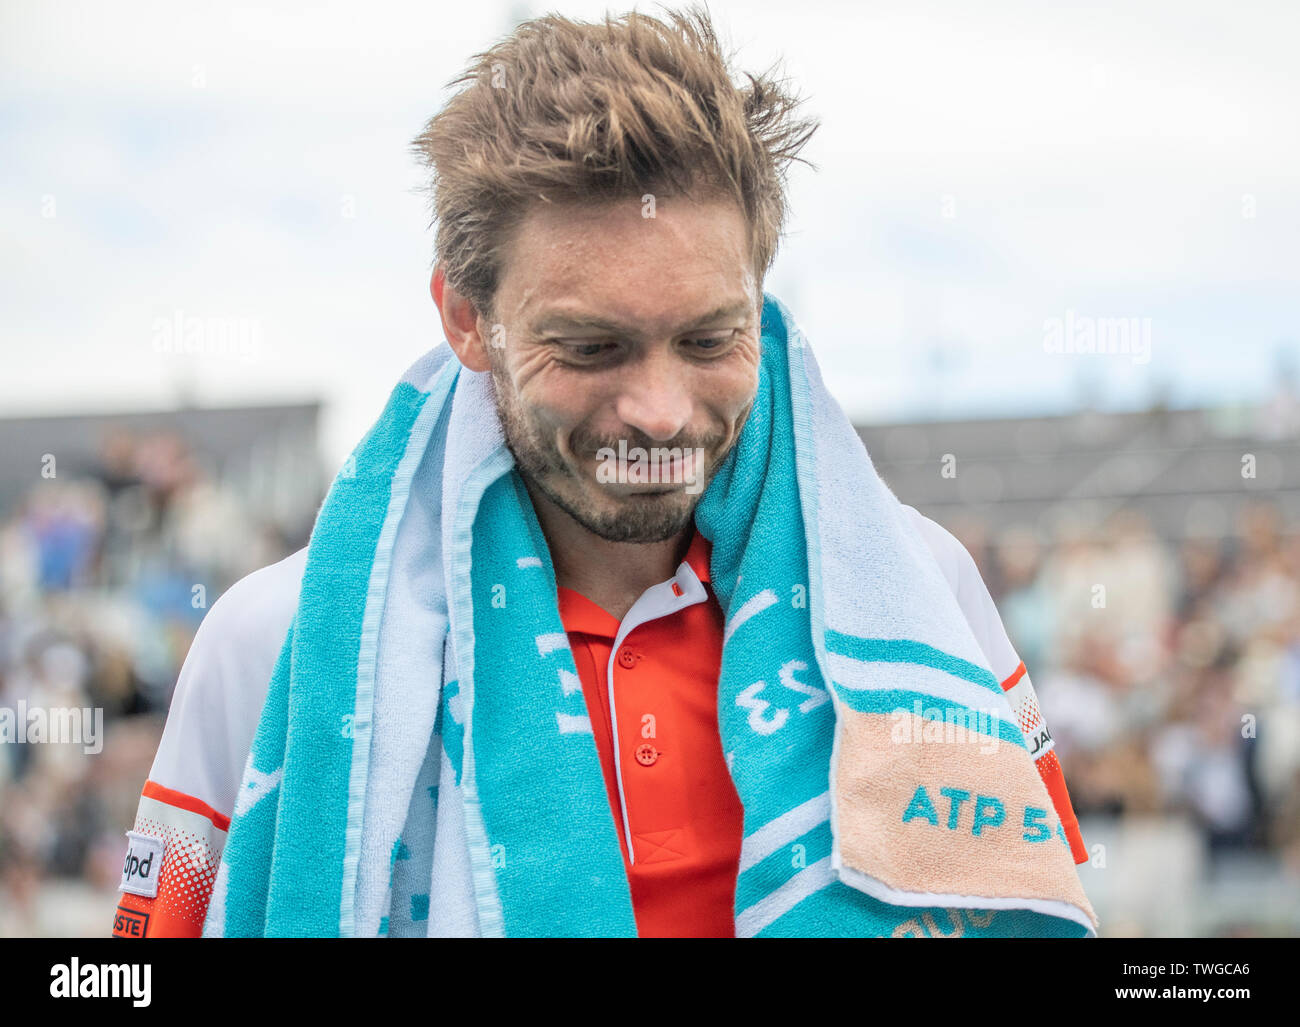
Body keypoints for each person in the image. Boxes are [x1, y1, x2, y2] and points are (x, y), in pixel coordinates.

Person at [111, 5, 1089, 940]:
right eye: (590, 346)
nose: (659, 411)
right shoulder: (271, 643)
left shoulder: (920, 592)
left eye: (710, 337)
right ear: (465, 319)